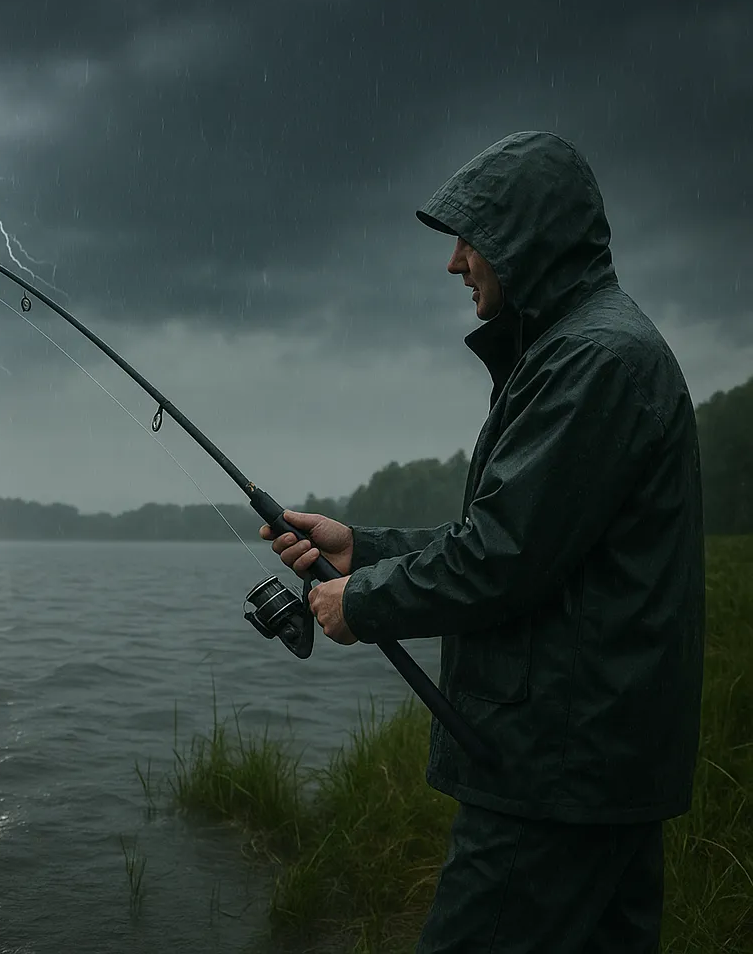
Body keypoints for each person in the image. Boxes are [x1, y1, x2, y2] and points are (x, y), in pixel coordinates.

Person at [260, 131, 705, 952]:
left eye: (472, 238)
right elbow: (522, 535)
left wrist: (362, 601)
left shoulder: (593, 362)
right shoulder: (583, 351)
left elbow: (504, 557)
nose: (455, 263)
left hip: (555, 773)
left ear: (527, 238)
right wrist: (363, 546)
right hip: (595, 763)